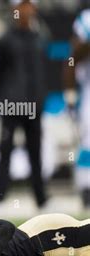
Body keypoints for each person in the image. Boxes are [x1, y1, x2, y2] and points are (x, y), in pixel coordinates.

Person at [0, 0, 48, 208]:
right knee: (5, 148)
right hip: (10, 104)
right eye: (22, 6)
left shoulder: (39, 36)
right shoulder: (4, 39)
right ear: (15, 10)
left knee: (36, 150)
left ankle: (41, 197)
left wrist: (40, 97)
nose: (26, 10)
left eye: (29, 6)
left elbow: (43, 71)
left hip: (34, 104)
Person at [64, 8, 90, 209]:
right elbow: (73, 57)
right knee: (88, 139)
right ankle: (86, 187)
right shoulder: (86, 19)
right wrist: (71, 96)